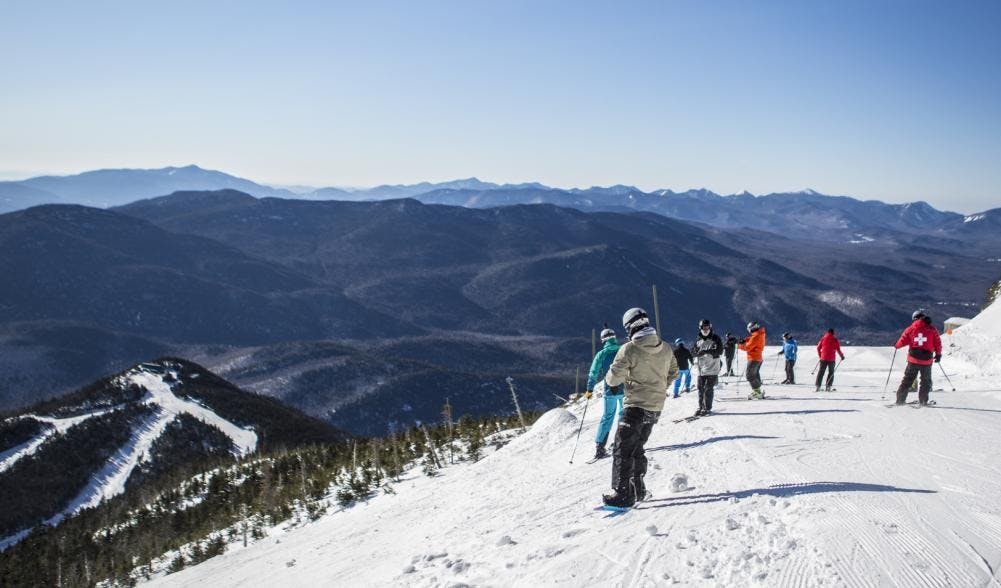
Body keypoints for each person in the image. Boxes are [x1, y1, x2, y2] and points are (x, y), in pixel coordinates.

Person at [600, 307, 679, 508]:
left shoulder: (629, 349)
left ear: (629, 327)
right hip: (655, 407)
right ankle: (639, 490)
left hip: (635, 406)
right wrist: (659, 387)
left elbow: (613, 379)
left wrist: (615, 377)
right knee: (637, 447)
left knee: (622, 448)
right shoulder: (665, 348)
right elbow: (674, 372)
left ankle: (622, 494)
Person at [585, 327, 622, 460]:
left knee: (607, 417)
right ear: (614, 337)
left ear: (603, 340)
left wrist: (589, 391)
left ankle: (600, 447)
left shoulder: (601, 354)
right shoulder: (623, 350)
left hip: (610, 390)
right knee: (624, 416)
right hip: (626, 389)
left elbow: (593, 373)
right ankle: (621, 442)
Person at [893, 309, 942, 406]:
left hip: (913, 360)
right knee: (926, 382)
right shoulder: (932, 329)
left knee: (907, 380)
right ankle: (923, 401)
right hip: (927, 361)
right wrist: (938, 354)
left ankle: (900, 401)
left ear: (914, 318)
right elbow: (938, 343)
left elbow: (903, 340)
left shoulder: (910, 329)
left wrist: (896, 345)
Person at [692, 319, 723, 416]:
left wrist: (706, 351)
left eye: (707, 327)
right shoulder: (698, 339)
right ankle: (701, 407)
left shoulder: (715, 338)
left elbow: (720, 351)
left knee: (708, 388)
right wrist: (696, 353)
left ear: (710, 327)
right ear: (700, 328)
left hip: (713, 367)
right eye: (703, 327)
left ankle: (707, 408)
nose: (705, 329)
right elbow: (693, 352)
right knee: (700, 388)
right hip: (701, 368)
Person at [738, 321, 766, 398]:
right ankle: (758, 391)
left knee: (749, 376)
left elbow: (748, 347)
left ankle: (757, 392)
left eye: (749, 329)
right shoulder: (759, 334)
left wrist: (739, 346)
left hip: (754, 358)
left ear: (751, 329)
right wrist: (745, 340)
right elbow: (751, 339)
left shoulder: (756, 336)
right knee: (754, 375)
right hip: (757, 358)